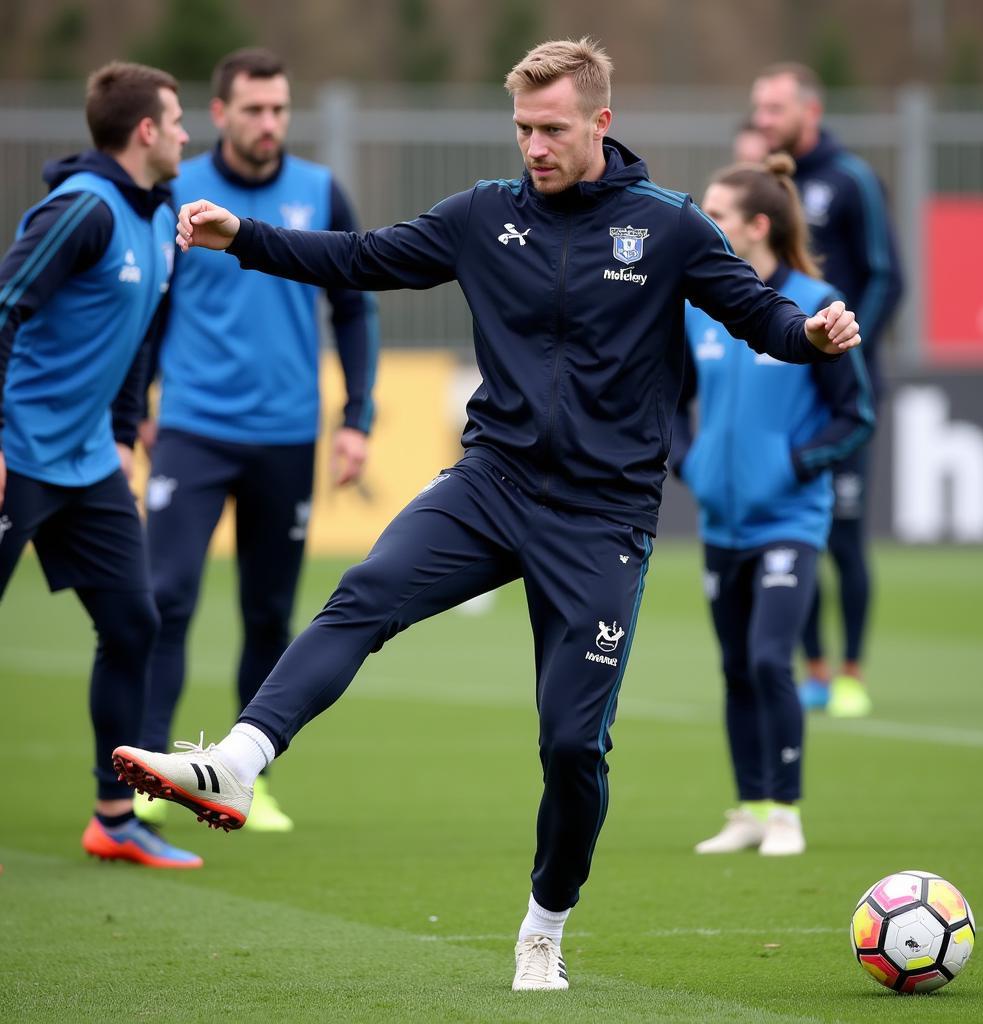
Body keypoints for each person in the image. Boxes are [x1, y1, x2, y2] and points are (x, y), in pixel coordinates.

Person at [113, 38, 861, 989]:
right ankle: (240, 758)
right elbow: (362, 258)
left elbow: (760, 316)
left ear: (601, 123)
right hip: (491, 483)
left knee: (571, 744)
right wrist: (244, 239)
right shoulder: (481, 216)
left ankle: (545, 922)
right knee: (366, 592)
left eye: (551, 130)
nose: (534, 147)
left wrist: (813, 333)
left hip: (602, 519)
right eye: (521, 129)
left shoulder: (669, 228)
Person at [136, 48, 379, 833]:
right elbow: (147, 300)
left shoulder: (319, 190)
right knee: (164, 599)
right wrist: (134, 397)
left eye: (279, 109)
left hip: (284, 436)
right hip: (192, 430)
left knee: (270, 615)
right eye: (255, 110)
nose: (270, 123)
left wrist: (358, 417)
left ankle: (246, 774)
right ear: (221, 113)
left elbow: (353, 308)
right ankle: (142, 778)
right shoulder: (177, 191)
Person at [0, 62, 202, 869]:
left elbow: (139, 343)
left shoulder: (159, 220)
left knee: (134, 624)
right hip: (19, 454)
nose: (189, 133)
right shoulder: (82, 209)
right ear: (145, 131)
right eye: (178, 119)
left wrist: (122, 432)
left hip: (87, 464)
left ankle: (113, 818)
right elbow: (4, 310)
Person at [671, 154, 874, 857]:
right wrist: (685, 457)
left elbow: (856, 416)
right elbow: (670, 400)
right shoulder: (702, 303)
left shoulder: (817, 303)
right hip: (722, 522)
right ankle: (750, 808)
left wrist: (791, 464)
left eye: (717, 214)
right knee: (733, 667)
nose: (704, 224)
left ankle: (786, 811)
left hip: (789, 519)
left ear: (756, 227)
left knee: (767, 659)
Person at [751, 62, 903, 718]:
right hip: (782, 387)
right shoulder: (767, 187)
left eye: (773, 109)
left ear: (809, 112)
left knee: (843, 535)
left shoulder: (851, 181)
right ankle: (811, 669)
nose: (762, 122)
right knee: (790, 531)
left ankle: (851, 672)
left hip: (839, 390)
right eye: (757, 110)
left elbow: (885, 276)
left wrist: (846, 348)